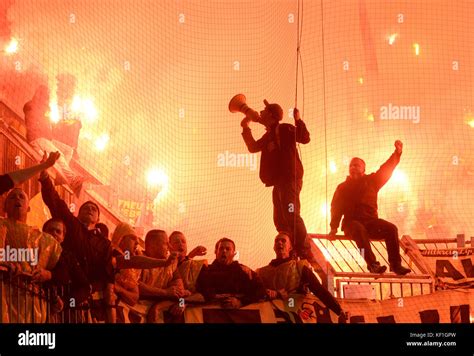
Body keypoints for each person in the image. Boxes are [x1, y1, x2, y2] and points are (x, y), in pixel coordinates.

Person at [240, 100, 314, 261]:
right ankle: (292, 248)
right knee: (280, 219)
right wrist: (245, 128)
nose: (260, 112)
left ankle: (304, 249)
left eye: (264, 111)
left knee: (291, 213)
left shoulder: (284, 128)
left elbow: (304, 137)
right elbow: (253, 147)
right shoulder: (269, 135)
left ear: (272, 115)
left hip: (290, 179)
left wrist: (298, 120)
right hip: (279, 182)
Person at [329, 140, 411, 275]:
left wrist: (397, 153)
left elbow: (386, 169)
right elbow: (336, 207)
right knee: (358, 228)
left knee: (391, 229)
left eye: (356, 165)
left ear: (363, 169)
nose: (353, 167)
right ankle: (372, 265)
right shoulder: (342, 187)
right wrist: (333, 227)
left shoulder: (372, 181)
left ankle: (395, 265)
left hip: (371, 222)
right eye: (351, 165)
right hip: (351, 224)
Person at [0, 188, 62, 322]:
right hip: (3, 294)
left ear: (28, 207)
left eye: (21, 196)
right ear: (4, 206)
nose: (17, 199)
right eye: (13, 197)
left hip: (32, 301)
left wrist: (49, 274)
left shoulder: (44, 239)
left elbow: (65, 269)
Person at [256, 232, 344, 318]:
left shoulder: (300, 267)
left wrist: (338, 310)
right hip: (268, 315)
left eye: (283, 241)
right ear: (274, 247)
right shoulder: (262, 272)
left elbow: (319, 290)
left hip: (292, 314)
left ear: (290, 247)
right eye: (277, 241)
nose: (279, 242)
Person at [23, 86, 83, 195]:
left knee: (69, 150)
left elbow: (49, 122)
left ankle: (61, 176)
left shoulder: (45, 108)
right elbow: (33, 119)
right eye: (45, 95)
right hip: (37, 138)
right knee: (58, 155)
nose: (48, 97)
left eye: (48, 95)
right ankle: (72, 180)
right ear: (39, 94)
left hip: (47, 138)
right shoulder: (31, 106)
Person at [196, 238, 265, 309]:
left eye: (228, 249)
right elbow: (191, 294)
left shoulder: (244, 271)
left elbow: (261, 291)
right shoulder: (205, 271)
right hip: (210, 317)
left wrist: (241, 302)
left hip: (238, 317)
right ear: (216, 251)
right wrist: (191, 255)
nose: (224, 251)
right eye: (221, 248)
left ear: (234, 253)